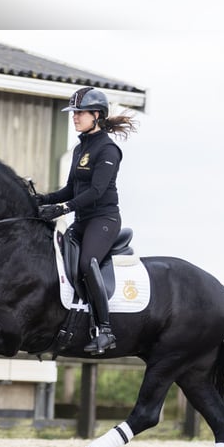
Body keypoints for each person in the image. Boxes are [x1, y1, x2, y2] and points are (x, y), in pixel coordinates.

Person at [37, 86, 139, 354]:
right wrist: (41, 199)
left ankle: (105, 330)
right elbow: (70, 189)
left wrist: (62, 209)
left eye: (79, 113)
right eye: (74, 113)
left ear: (97, 114)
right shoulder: (79, 148)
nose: (74, 117)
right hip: (82, 219)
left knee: (86, 262)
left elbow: (96, 192)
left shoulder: (108, 150)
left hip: (103, 220)